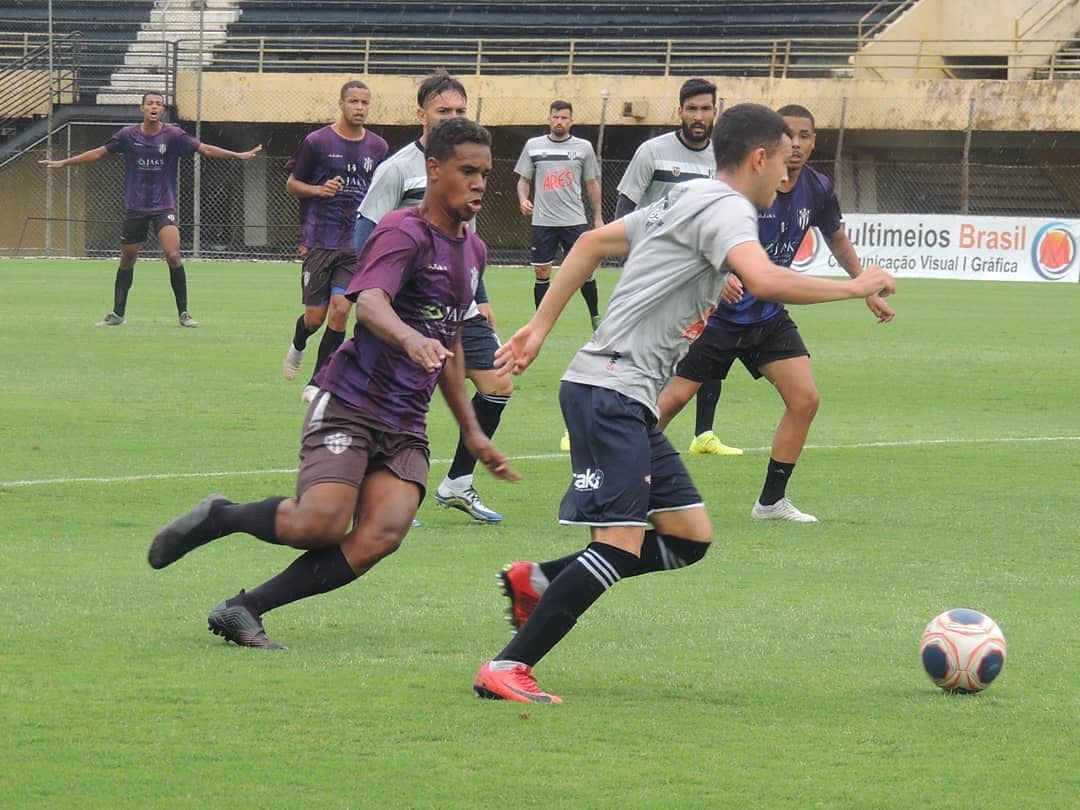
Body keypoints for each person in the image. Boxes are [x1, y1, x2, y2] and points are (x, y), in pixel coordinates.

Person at [471, 103, 896, 703]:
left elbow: (593, 242)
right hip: (609, 388)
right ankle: (507, 667)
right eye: (781, 160)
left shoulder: (688, 196)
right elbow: (768, 281)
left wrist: (541, 327)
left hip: (623, 395)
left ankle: (536, 580)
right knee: (617, 544)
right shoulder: (727, 208)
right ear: (758, 157)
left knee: (689, 537)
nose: (786, 174)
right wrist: (856, 285)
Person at [147, 118, 519, 650]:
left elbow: (452, 346)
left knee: (381, 535)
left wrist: (475, 434)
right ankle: (220, 516)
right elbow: (369, 303)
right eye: (468, 171)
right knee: (319, 525)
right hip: (352, 403)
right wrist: (412, 341)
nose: (480, 182)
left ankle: (244, 607)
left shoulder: (472, 251)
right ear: (434, 170)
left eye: (485, 173)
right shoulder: (402, 231)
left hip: (406, 422)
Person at [657, 104, 896, 524]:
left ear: (813, 141)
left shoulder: (818, 188)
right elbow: (703, 235)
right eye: (791, 136)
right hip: (716, 316)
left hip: (767, 316)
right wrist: (720, 271)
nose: (798, 144)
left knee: (805, 399)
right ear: (773, 143)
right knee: (671, 401)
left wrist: (865, 288)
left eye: (806, 136)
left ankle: (771, 502)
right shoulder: (746, 187)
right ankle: (610, 478)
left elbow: (836, 238)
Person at [354, 72, 513, 524]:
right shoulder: (397, 169)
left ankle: (457, 483)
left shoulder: (470, 169)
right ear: (421, 115)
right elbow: (366, 237)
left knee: (497, 386)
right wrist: (373, 291)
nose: (453, 118)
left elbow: (467, 239)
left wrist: (479, 295)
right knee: (398, 398)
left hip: (459, 306)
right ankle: (379, 490)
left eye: (460, 111)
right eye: (444, 111)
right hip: (408, 308)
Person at [39, 92, 261, 327]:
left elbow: (205, 149)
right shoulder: (128, 135)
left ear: (163, 110)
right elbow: (99, 152)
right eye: (150, 103)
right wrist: (65, 162)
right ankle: (117, 314)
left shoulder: (173, 135)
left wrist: (238, 155)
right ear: (142, 108)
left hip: (163, 206)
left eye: (158, 104)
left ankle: (184, 313)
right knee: (127, 259)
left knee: (173, 254)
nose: (154, 107)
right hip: (136, 207)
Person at [613, 77, 741, 457]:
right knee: (640, 359)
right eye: (691, 109)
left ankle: (704, 434)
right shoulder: (652, 152)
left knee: (707, 350)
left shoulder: (724, 157)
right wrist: (634, 266)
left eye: (705, 109)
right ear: (679, 111)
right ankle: (602, 424)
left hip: (704, 277)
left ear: (715, 111)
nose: (699, 116)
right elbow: (625, 210)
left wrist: (728, 268)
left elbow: (727, 218)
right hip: (657, 275)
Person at [282, 80, 389, 401]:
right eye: (354, 101)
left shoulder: (378, 148)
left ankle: (317, 382)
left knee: (341, 311)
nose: (359, 107)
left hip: (355, 244)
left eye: (364, 102)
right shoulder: (317, 142)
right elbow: (291, 183)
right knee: (315, 318)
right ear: (341, 104)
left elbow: (382, 192)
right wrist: (318, 190)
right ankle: (299, 341)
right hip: (319, 239)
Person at [514, 100, 604, 330]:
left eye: (564, 118)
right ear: (549, 119)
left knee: (585, 271)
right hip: (543, 221)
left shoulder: (583, 148)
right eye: (555, 117)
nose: (559, 121)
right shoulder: (533, 146)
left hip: (574, 220)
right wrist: (523, 199)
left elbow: (592, 184)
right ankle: (539, 324)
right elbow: (523, 181)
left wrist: (597, 217)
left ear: (571, 121)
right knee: (542, 271)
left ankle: (595, 316)